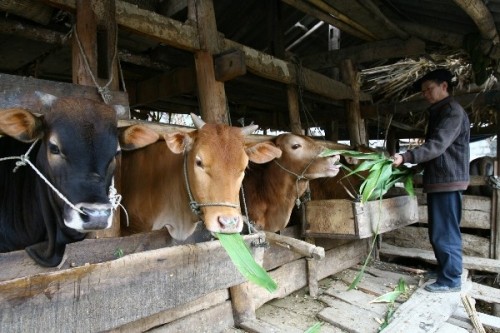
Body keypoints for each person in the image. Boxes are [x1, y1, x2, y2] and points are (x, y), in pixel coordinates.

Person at [392, 68, 470, 293]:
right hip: (441, 180)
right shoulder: (440, 111)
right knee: (439, 230)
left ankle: (451, 279)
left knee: (445, 231)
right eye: (423, 91)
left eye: (429, 89)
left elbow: (437, 146)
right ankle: (445, 271)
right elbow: (437, 151)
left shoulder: (452, 112)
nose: (425, 94)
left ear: (444, 86)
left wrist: (406, 156)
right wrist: (413, 167)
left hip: (448, 181)